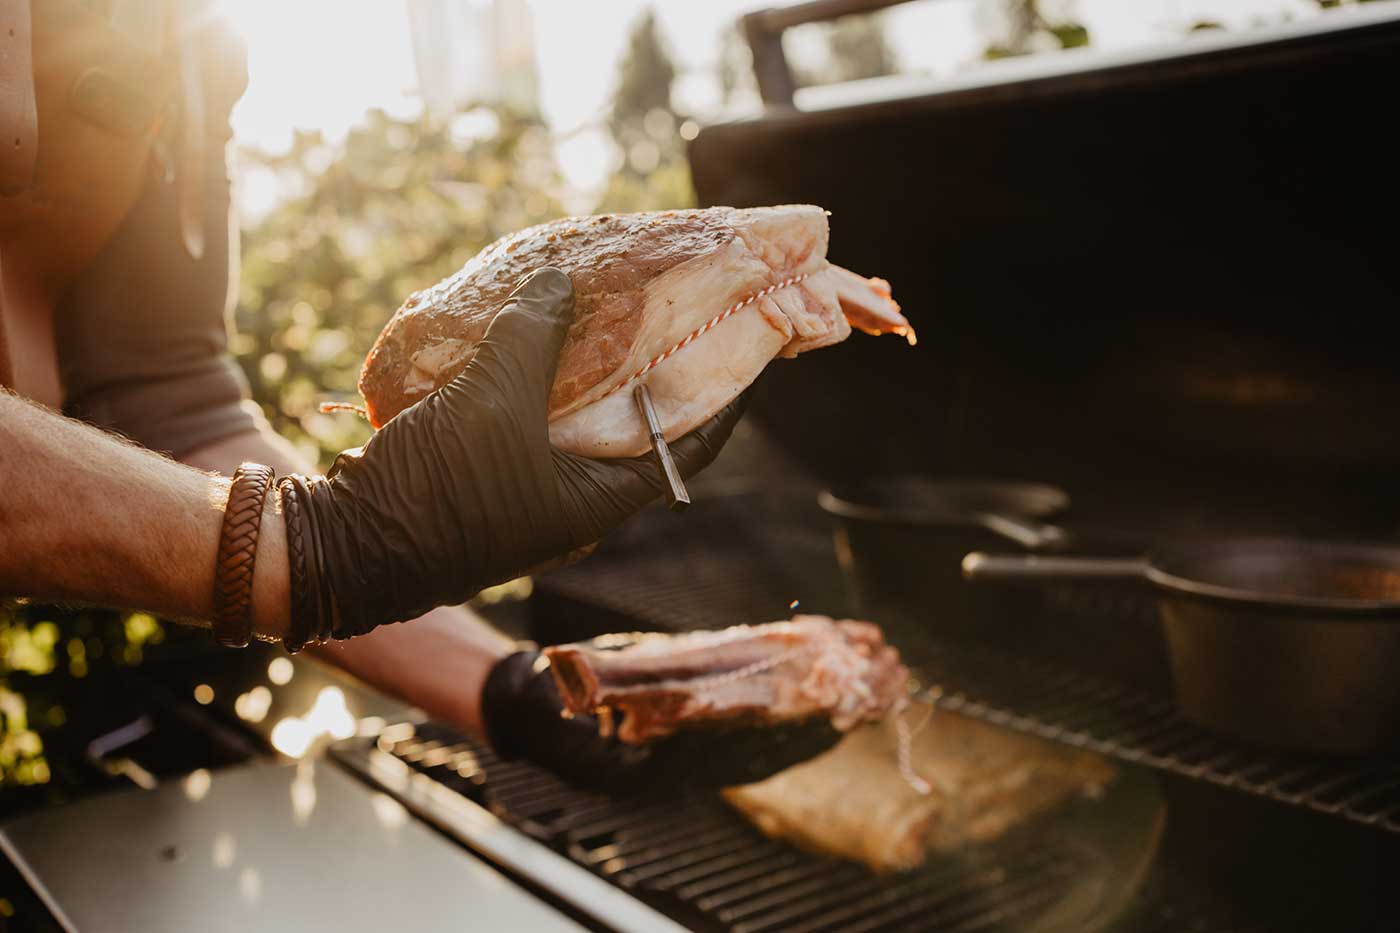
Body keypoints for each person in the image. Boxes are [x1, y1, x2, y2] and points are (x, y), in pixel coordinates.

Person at [0, 1, 835, 789]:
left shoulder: (183, 36)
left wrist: (503, 686)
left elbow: (171, 402)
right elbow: (303, 542)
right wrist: (318, 549)